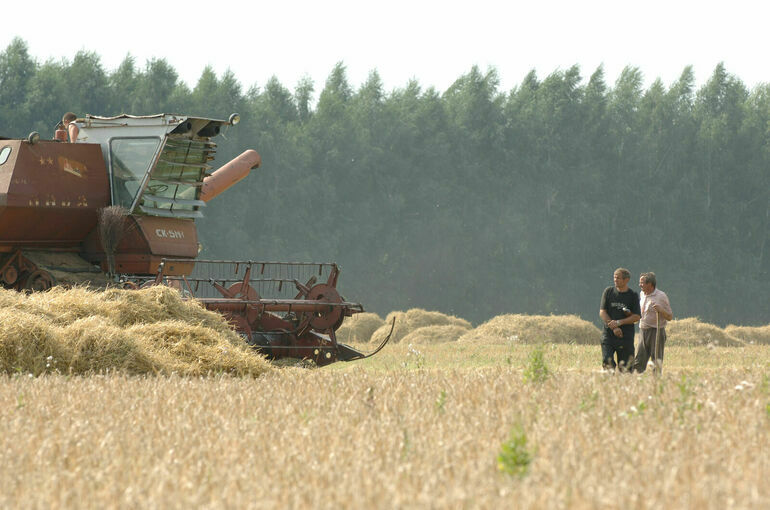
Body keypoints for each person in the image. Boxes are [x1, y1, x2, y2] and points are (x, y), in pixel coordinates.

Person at [599, 268, 641, 372]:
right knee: (607, 361)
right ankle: (608, 386)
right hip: (608, 334)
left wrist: (619, 322)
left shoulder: (632, 295)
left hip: (625, 336)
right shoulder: (608, 292)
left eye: (618, 278)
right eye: (614, 277)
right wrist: (613, 327)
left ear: (626, 280)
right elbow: (602, 312)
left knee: (626, 368)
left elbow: (636, 316)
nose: (615, 280)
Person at [632, 272, 673, 374]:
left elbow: (669, 316)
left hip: (657, 331)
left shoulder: (661, 296)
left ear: (650, 284)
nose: (639, 285)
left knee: (656, 360)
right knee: (639, 359)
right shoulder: (642, 294)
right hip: (643, 330)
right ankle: (637, 381)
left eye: (642, 283)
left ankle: (656, 383)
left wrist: (661, 310)